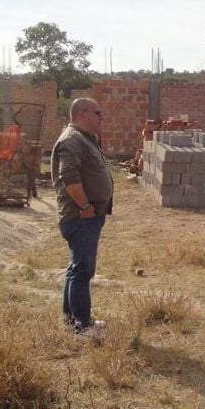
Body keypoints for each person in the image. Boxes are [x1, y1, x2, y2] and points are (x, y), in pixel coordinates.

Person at [52, 98, 114, 335]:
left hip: (86, 217)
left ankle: (71, 319)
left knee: (76, 268)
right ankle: (83, 325)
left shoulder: (83, 138)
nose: (102, 117)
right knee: (82, 270)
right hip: (80, 217)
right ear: (83, 113)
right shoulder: (72, 139)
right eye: (98, 112)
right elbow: (69, 176)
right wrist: (85, 205)